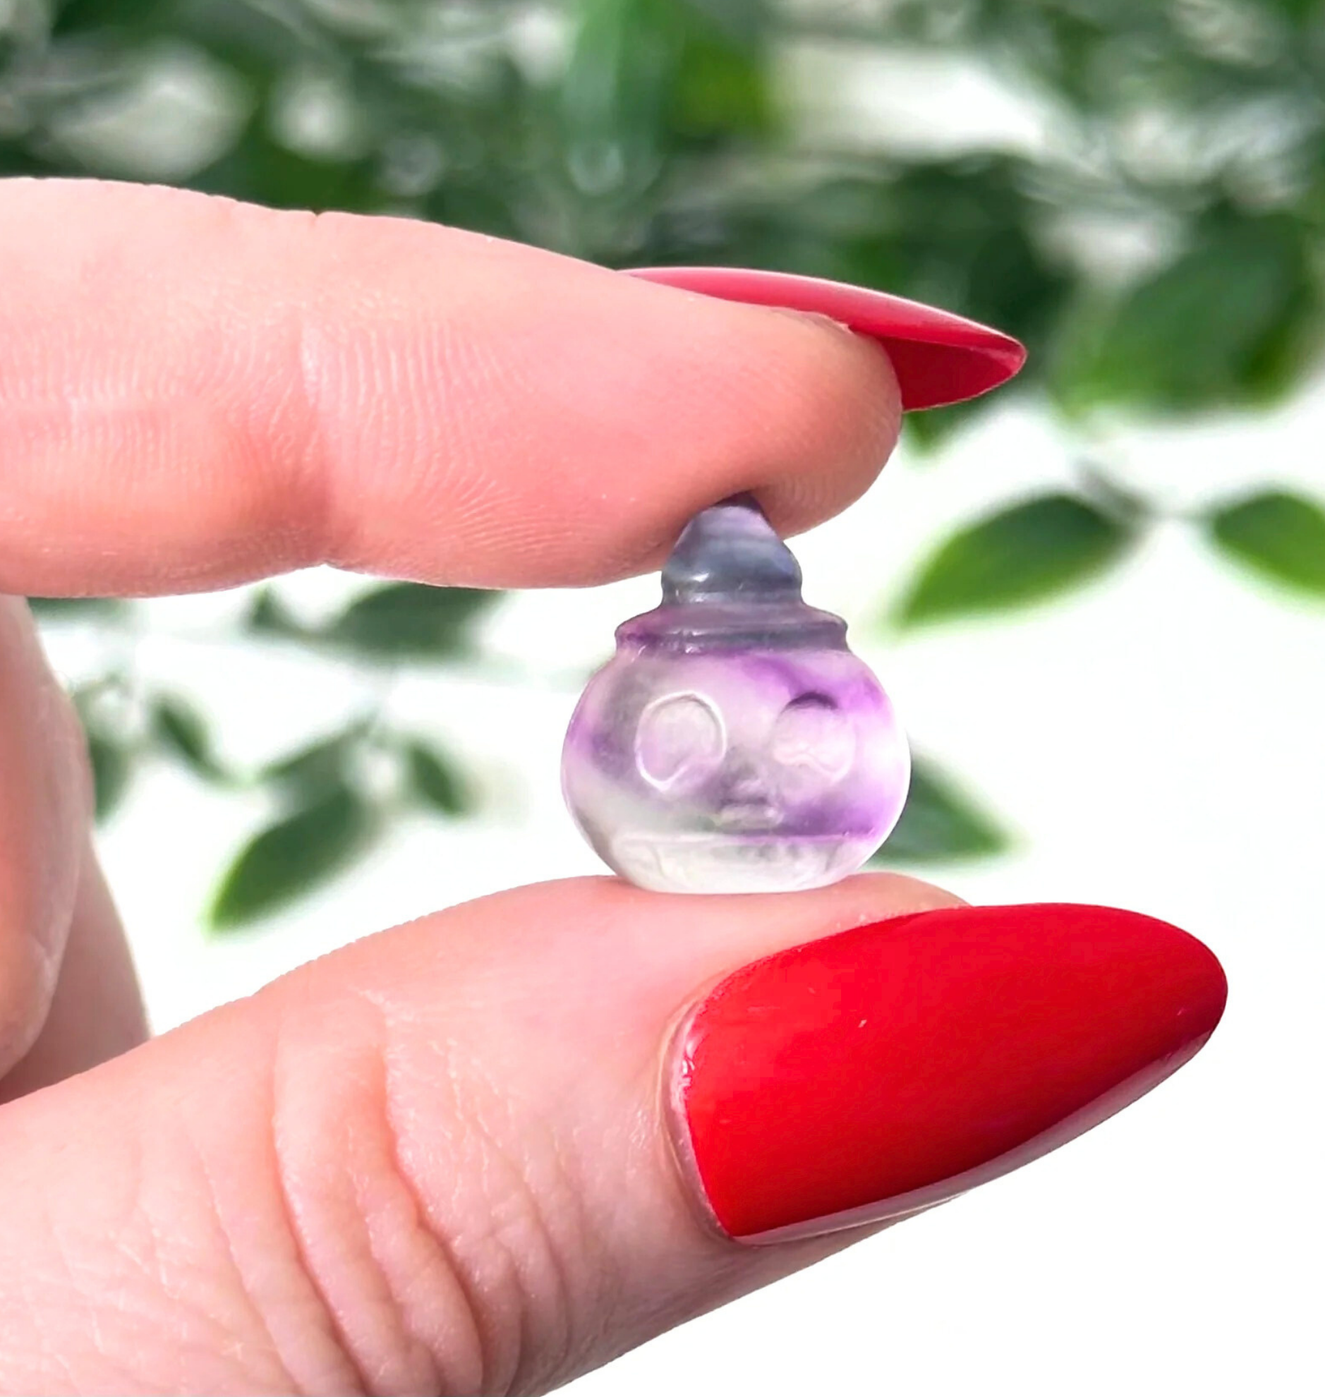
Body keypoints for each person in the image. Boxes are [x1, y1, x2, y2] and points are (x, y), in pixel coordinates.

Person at [0, 178, 1225, 1395]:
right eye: (695, 747)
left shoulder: (784, 677)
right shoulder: (683, 688)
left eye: (793, 739)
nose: (749, 774)